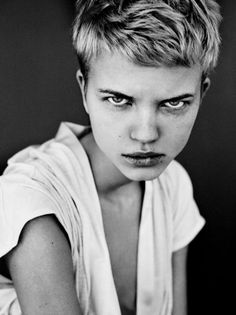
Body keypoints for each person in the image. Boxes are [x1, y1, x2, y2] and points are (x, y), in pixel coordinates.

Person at [0, 0, 221, 314]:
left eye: (174, 103)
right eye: (119, 99)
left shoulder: (174, 185)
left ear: (202, 95)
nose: (145, 135)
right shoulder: (30, 197)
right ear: (84, 90)